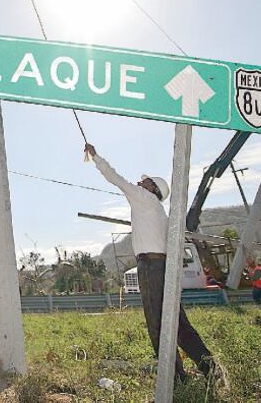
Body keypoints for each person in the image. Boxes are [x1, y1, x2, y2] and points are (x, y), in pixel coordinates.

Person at [85, 143, 218, 383]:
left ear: (153, 188)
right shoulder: (158, 211)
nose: (140, 181)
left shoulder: (143, 198)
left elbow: (115, 178)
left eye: (145, 181)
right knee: (177, 322)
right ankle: (210, 369)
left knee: (157, 323)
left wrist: (95, 156)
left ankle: (175, 377)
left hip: (150, 268)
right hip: (163, 266)